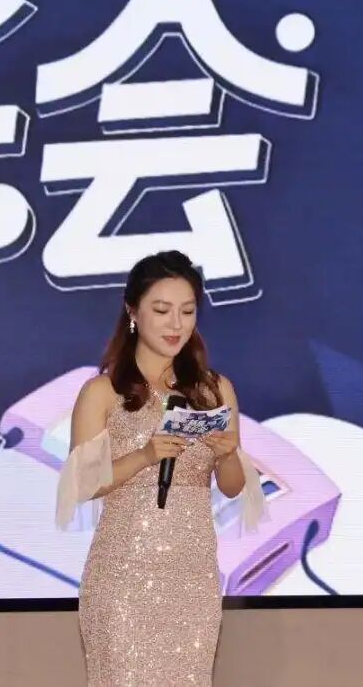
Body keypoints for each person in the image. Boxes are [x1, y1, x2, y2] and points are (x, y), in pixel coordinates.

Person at [56, 250, 265, 687]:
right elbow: (81, 484)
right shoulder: (103, 392)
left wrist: (227, 454)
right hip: (123, 575)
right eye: (162, 310)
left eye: (187, 311)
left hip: (192, 576)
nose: (176, 324)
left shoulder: (215, 390)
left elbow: (231, 487)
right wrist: (145, 455)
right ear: (133, 311)